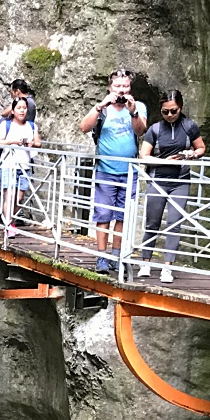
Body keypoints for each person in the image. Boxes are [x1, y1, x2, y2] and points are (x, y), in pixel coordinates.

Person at [79, 69, 148, 273]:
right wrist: (101, 105)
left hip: (129, 171)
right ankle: (101, 256)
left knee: (122, 216)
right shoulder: (104, 109)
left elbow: (140, 130)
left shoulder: (138, 107)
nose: (121, 90)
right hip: (105, 170)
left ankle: (116, 255)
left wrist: (133, 110)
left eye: (125, 86)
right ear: (110, 88)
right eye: (117, 86)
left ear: (130, 88)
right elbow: (83, 127)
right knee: (103, 215)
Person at [136, 89, 206, 283]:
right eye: (165, 111)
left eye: (173, 111)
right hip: (158, 180)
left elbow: (201, 147)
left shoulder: (189, 126)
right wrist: (166, 161)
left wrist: (192, 154)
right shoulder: (155, 129)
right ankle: (145, 263)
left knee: (174, 224)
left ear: (180, 108)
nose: (169, 115)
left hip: (180, 181)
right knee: (152, 223)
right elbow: (144, 156)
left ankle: (168, 267)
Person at [0, 96, 40, 237]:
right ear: (13, 110)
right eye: (19, 108)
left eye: (24, 108)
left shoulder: (32, 126)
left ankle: (9, 220)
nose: (22, 111)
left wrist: (31, 143)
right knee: (10, 196)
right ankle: (8, 225)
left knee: (19, 199)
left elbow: (38, 142)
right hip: (8, 165)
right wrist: (13, 141)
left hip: (24, 166)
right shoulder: (5, 125)